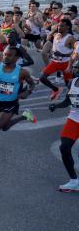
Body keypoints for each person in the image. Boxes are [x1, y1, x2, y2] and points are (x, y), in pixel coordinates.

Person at [49, 59, 79, 192]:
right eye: (75, 68)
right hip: (74, 119)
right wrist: (56, 105)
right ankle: (74, 181)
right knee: (64, 148)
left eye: (77, 68)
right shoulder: (72, 82)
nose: (75, 70)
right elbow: (68, 100)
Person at [40, 18, 75, 101]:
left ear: (68, 27)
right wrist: (51, 53)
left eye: (62, 26)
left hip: (66, 63)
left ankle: (72, 99)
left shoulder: (70, 38)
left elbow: (76, 52)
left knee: (69, 84)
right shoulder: (55, 35)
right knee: (42, 78)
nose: (59, 27)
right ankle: (56, 89)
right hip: (55, 62)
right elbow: (49, 39)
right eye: (59, 26)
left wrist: (63, 54)